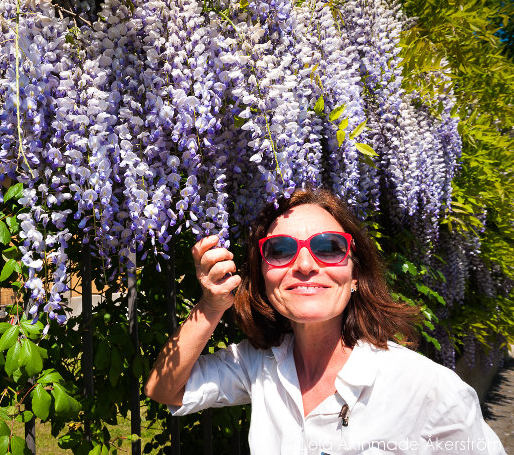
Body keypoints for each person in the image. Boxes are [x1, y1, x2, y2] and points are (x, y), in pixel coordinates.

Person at [144, 189, 502, 453]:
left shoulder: (428, 389)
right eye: (280, 249)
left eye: (329, 247)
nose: (304, 264)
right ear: (263, 275)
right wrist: (210, 305)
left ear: (356, 273)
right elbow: (164, 389)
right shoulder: (259, 364)